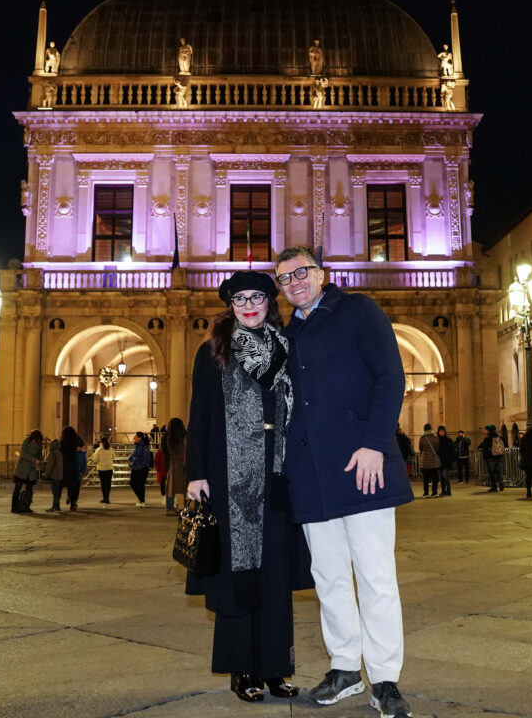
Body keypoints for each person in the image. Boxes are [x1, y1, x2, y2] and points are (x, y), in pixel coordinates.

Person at [275, 247, 413, 718]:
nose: (293, 282)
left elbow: (390, 376)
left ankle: (386, 678)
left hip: (362, 464)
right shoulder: (287, 332)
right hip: (311, 472)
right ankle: (344, 667)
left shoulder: (358, 310)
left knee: (376, 576)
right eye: (283, 278)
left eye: (301, 272)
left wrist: (375, 442)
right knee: (329, 577)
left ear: (321, 274)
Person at [185, 270, 312, 703]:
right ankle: (242, 670)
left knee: (273, 573)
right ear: (231, 307)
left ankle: (276, 668)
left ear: (269, 302)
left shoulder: (286, 349)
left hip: (277, 475)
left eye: (257, 297)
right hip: (228, 477)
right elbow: (198, 414)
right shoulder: (214, 352)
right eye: (240, 299)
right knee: (238, 572)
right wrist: (195, 474)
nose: (250, 305)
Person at [12, 429, 43, 513]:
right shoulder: (26, 441)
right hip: (22, 468)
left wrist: (40, 460)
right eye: (34, 440)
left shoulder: (39, 444)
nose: (34, 442)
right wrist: (34, 460)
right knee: (17, 488)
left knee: (29, 489)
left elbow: (40, 454)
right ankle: (14, 507)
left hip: (31, 470)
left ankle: (26, 506)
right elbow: (23, 454)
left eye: (36, 441)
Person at [58, 426, 86, 511]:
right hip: (73, 465)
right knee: (72, 485)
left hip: (63, 465)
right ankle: (73, 504)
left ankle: (57, 503)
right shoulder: (74, 441)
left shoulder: (62, 442)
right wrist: (76, 435)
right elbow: (82, 443)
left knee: (60, 486)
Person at [163, 417, 187, 514]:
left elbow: (165, 453)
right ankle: (186, 507)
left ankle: (170, 508)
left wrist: (166, 467)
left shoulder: (167, 437)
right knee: (185, 486)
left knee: (171, 488)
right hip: (185, 464)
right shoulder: (185, 436)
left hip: (172, 464)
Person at [478, 424, 504, 492]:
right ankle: (500, 483)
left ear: (489, 431)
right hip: (499, 458)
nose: (484, 431)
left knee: (492, 473)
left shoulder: (487, 439)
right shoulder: (499, 438)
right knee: (498, 472)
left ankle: (494, 487)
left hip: (490, 459)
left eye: (485, 430)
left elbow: (482, 447)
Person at [128, 431, 152, 506]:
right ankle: (140, 499)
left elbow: (146, 460)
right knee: (132, 484)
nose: (133, 438)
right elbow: (134, 455)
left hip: (142, 469)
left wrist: (138, 467)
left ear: (139, 438)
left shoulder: (145, 447)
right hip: (135, 467)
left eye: (135, 436)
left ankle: (142, 500)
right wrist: (129, 459)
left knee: (140, 485)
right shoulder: (135, 445)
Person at [417, 424, 440, 498]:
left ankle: (426, 493)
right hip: (433, 462)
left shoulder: (422, 438)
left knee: (426, 479)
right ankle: (434, 492)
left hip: (425, 462)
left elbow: (420, 448)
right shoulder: (435, 438)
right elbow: (437, 448)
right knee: (435, 478)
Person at [43, 435, 65, 512]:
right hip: (59, 475)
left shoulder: (52, 453)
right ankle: (56, 506)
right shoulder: (59, 453)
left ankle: (55, 506)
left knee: (55, 492)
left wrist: (46, 475)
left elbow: (50, 466)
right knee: (56, 492)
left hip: (54, 475)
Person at [93, 437, 113, 505]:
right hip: (109, 468)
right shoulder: (111, 449)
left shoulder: (98, 450)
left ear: (101, 442)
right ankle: (107, 498)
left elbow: (95, 460)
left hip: (101, 469)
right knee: (108, 483)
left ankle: (105, 498)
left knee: (103, 483)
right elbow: (114, 457)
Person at [436, 426, 455, 497]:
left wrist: (452, 460)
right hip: (439, 462)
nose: (441, 432)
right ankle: (443, 491)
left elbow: (452, 451)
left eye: (443, 431)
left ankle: (448, 491)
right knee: (441, 477)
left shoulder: (449, 440)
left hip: (446, 462)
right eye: (440, 431)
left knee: (445, 476)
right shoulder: (437, 441)